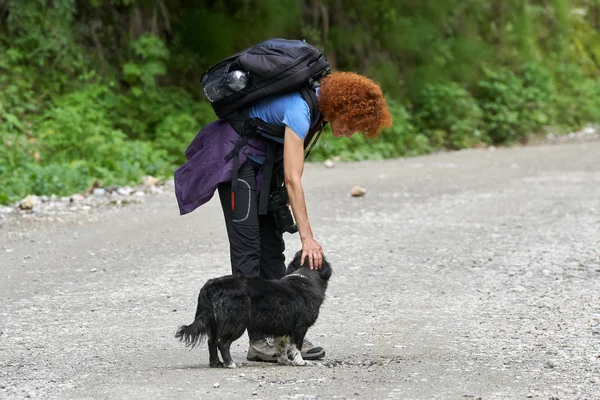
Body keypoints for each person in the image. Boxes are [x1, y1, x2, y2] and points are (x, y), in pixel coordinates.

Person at [174, 71, 392, 362]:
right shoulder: (301, 111)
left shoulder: (317, 111)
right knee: (248, 252)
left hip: (261, 166)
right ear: (341, 108)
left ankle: (283, 336)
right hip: (238, 163)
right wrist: (307, 238)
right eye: (352, 124)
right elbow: (293, 179)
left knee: (273, 250)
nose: (351, 132)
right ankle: (257, 341)